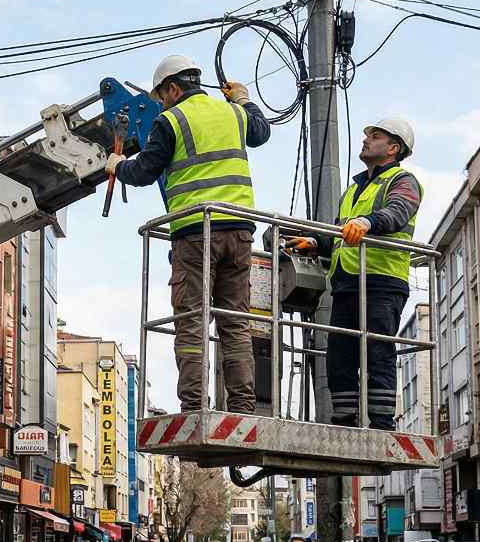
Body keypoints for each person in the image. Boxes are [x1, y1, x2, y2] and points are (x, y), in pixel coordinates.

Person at [109, 54, 272, 413]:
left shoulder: (171, 120)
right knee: (235, 321)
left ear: (172, 88)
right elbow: (261, 132)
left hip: (196, 232)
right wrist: (244, 99)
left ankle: (195, 406)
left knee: (192, 321)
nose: (161, 104)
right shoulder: (233, 112)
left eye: (161, 97)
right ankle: (243, 406)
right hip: (239, 231)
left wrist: (117, 166)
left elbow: (145, 171)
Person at [287, 117, 421, 430]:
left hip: (381, 281)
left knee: (377, 352)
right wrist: (315, 242)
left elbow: (398, 212)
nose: (366, 140)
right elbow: (340, 232)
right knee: (339, 356)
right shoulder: (353, 191)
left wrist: (367, 222)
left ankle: (382, 424)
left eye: (375, 136)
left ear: (393, 147)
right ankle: (345, 421)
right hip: (347, 283)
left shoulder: (403, 180)